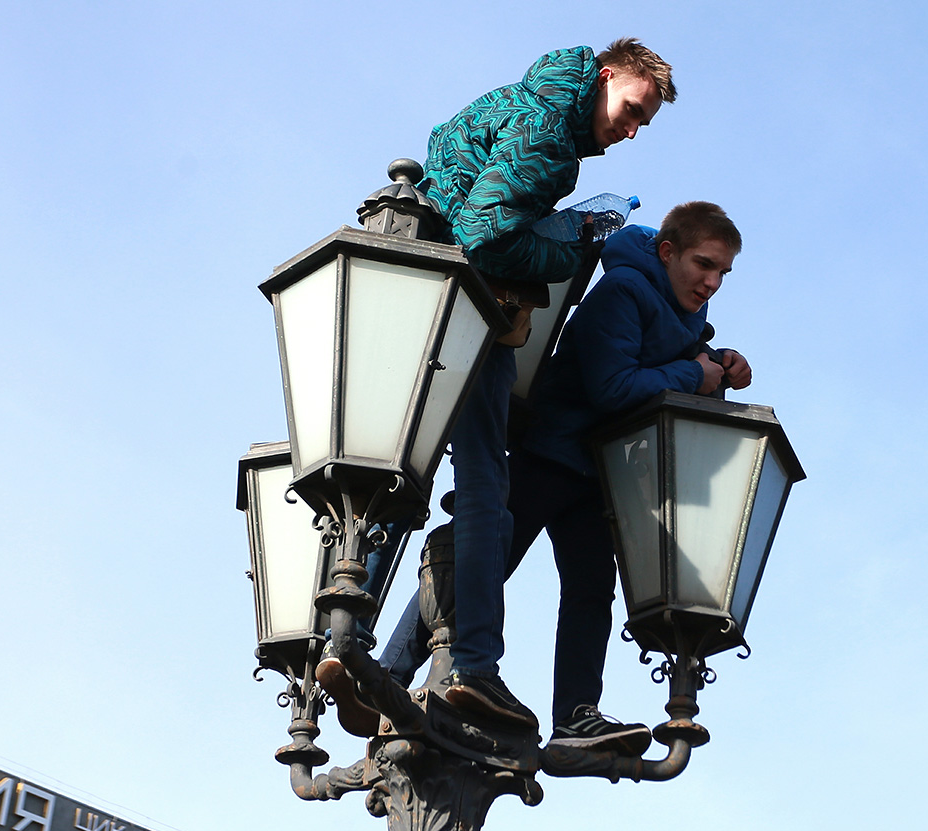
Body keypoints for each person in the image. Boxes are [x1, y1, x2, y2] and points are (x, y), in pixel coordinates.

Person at [319, 39, 677, 733]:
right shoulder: (549, 132)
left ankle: (349, 644)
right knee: (489, 489)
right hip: (467, 311)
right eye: (633, 109)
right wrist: (573, 240)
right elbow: (486, 236)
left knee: (393, 476)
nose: (631, 129)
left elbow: (450, 167)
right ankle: (471, 666)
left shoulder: (518, 101)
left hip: (418, 308)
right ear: (608, 77)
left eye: (644, 124)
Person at [381, 202, 750, 756]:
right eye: (704, 265)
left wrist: (716, 357)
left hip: (598, 472)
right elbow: (614, 386)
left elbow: (670, 354)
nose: (713, 282)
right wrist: (691, 372)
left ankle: (576, 718)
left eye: (723, 272)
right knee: (484, 562)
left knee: (591, 592)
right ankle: (390, 670)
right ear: (668, 252)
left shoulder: (684, 314)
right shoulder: (622, 292)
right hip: (551, 455)